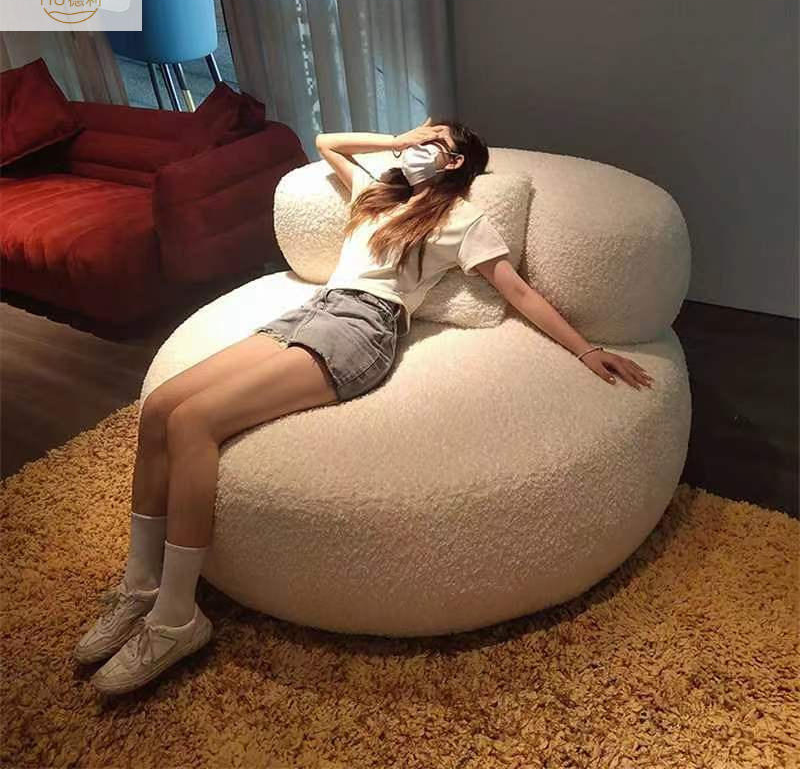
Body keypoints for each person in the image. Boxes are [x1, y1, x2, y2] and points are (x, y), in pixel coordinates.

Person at [73, 116, 655, 695]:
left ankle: (177, 619)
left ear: (455, 162)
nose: (417, 145)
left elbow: (518, 290)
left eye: (434, 141)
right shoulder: (377, 193)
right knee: (161, 408)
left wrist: (587, 350)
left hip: (364, 328)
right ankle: (141, 586)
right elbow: (327, 142)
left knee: (194, 422)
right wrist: (400, 142)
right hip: (313, 311)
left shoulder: (461, 219)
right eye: (417, 136)